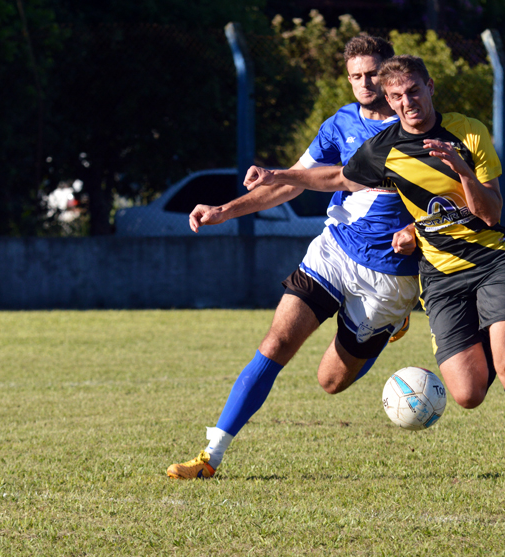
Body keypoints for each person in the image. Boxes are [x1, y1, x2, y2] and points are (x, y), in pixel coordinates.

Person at [243, 55, 505, 489]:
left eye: (414, 91)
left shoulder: (468, 131)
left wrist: (460, 169)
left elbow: (491, 214)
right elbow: (335, 179)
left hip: (490, 262)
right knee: (467, 394)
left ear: (430, 86)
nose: (408, 102)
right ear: (388, 100)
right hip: (441, 278)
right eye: (397, 96)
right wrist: (277, 173)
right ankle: (498, 322)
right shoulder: (384, 148)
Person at [166, 35, 422, 480]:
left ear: (391, 73)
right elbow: (294, 182)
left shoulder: (419, 129)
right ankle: (211, 455)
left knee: (330, 382)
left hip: (389, 275)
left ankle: (389, 326)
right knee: (276, 342)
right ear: (347, 79)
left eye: (373, 75)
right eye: (356, 76)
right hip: (334, 252)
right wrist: (223, 210)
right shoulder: (339, 124)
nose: (366, 84)